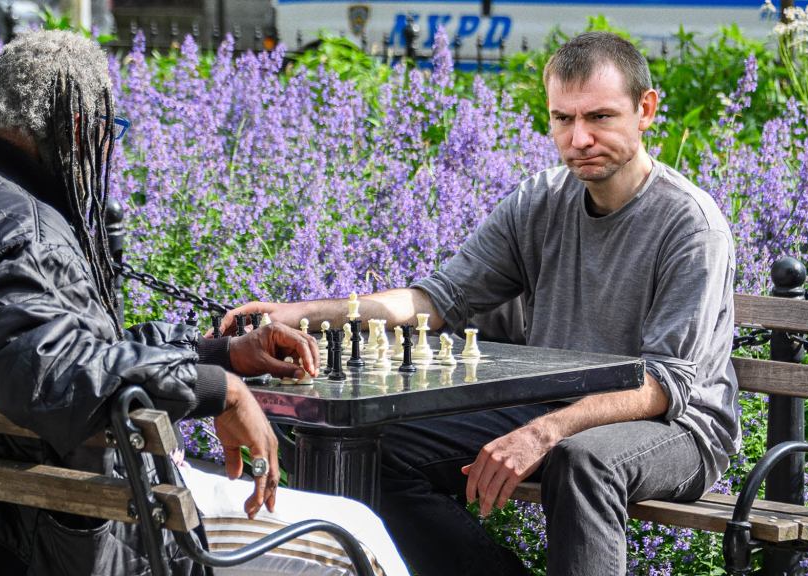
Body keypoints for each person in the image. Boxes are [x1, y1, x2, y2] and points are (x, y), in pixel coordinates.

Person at [0, 30, 407, 576]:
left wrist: (221, 354)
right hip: (56, 531)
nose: (107, 151)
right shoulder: (24, 229)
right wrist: (218, 390)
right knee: (355, 540)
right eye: (108, 132)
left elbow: (76, 347)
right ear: (77, 128)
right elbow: (55, 372)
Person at [223, 31, 738, 575]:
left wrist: (545, 430)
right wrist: (297, 314)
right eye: (563, 119)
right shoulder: (539, 200)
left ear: (646, 110)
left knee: (581, 462)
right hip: (559, 405)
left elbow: (665, 382)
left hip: (679, 426)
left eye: (600, 117)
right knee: (376, 449)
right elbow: (435, 299)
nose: (580, 138)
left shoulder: (690, 224)